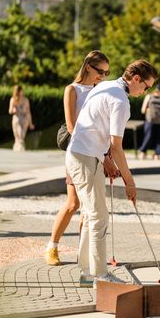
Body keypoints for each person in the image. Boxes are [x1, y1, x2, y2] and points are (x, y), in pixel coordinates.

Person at [66, 59, 158, 286]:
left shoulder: (105, 86)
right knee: (99, 216)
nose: (146, 91)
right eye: (146, 86)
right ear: (136, 79)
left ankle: (87, 273)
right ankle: (100, 276)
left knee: (91, 214)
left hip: (86, 155)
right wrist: (130, 181)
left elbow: (95, 130)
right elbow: (117, 145)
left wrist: (107, 162)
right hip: (85, 157)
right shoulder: (120, 99)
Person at [44, 50, 111, 266]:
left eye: (107, 73)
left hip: (98, 153)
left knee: (89, 208)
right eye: (100, 71)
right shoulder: (72, 90)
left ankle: (86, 255)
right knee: (73, 204)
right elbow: (72, 126)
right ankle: (52, 247)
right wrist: (92, 144)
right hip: (79, 152)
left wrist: (106, 153)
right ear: (89, 67)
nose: (103, 76)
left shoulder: (100, 90)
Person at [139, 84, 160, 159]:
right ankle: (157, 154)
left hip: (150, 120)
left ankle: (143, 152)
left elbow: (143, 110)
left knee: (148, 137)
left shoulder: (149, 97)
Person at [9, 85, 34, 151]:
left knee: (21, 136)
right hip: (16, 120)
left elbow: (28, 112)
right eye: (20, 91)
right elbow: (10, 111)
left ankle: (20, 148)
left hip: (24, 120)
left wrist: (30, 123)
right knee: (17, 137)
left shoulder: (26, 100)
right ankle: (19, 148)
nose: (21, 92)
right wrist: (13, 109)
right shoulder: (13, 99)